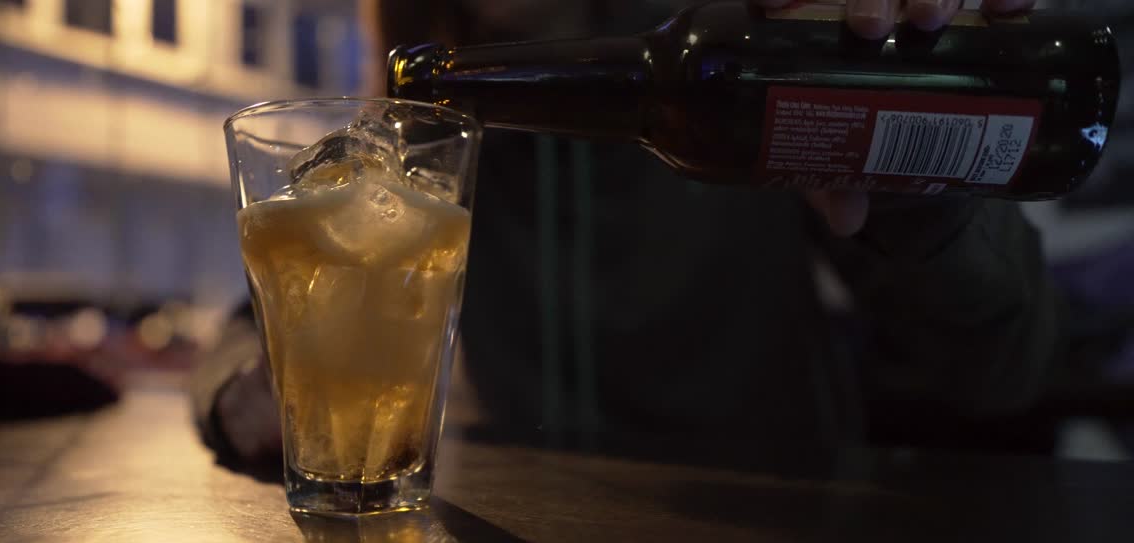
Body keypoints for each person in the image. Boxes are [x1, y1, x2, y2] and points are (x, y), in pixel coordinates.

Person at [192, 0, 1059, 469]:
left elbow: (1005, 370)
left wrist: (914, 182)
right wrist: (242, 387)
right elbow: (260, 316)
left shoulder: (744, 52)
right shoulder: (434, 124)